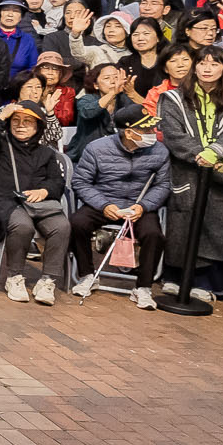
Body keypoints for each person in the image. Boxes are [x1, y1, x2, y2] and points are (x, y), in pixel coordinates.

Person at [67, 108, 171, 306]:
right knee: (77, 223)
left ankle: (143, 287)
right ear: (129, 132)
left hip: (138, 205)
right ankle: (87, 275)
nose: (153, 133)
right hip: (104, 201)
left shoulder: (160, 151)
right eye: (147, 129)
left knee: (153, 234)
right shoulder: (96, 148)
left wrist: (144, 205)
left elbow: (163, 185)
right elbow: (81, 182)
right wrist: (104, 204)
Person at [0, 100, 69, 304]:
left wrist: (44, 191)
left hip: (38, 204)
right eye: (15, 120)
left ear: (38, 127)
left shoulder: (46, 153)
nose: (20, 125)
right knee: (22, 225)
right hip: (4, 201)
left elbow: (57, 181)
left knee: (61, 226)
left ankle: (47, 280)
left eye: (27, 121)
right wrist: (0, 118)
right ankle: (14, 276)